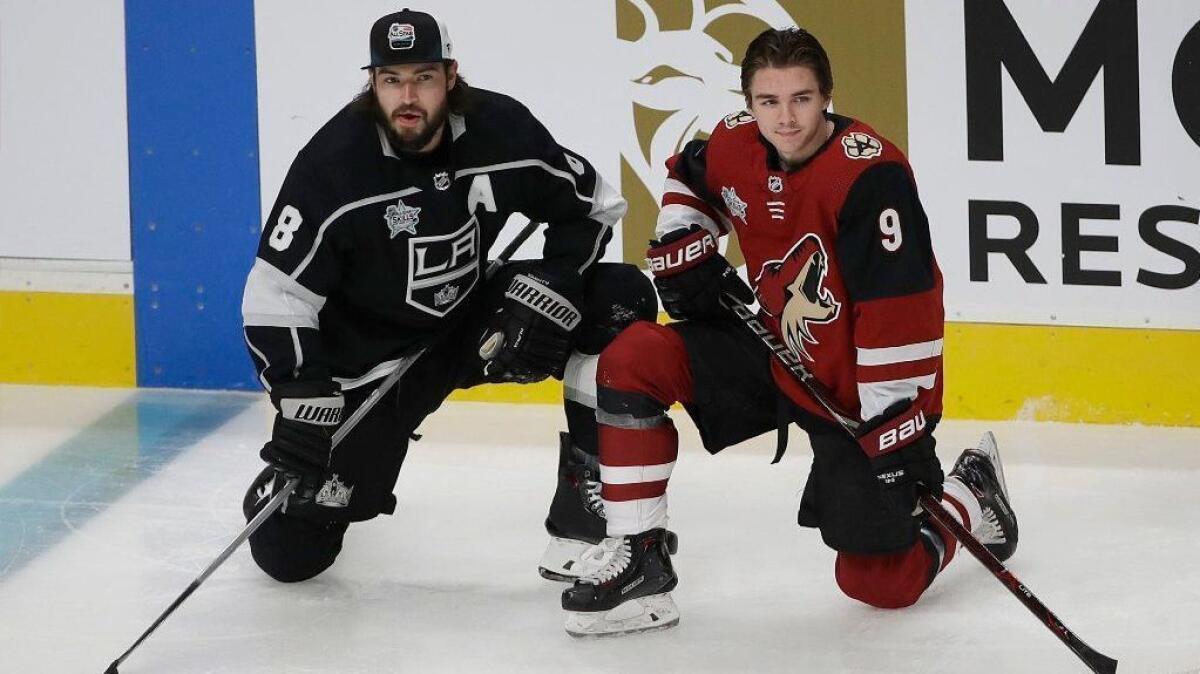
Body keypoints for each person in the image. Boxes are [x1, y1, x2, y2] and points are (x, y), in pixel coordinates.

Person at [559, 27, 1019, 636]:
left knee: (877, 583)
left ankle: (972, 491)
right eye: (768, 101)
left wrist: (891, 424)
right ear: (748, 102)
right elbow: (691, 179)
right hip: (773, 353)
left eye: (801, 99)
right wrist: (685, 234)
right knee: (632, 357)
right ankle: (640, 559)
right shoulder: (735, 143)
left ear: (827, 95)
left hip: (859, 392)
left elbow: (901, 308)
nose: (786, 117)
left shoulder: (869, 177)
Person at [240, 8, 657, 584]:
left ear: (451, 76)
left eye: (423, 77)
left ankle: (585, 501)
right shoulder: (332, 169)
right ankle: (293, 491)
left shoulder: (501, 130)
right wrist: (301, 400)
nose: (407, 96)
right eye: (391, 80)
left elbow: (593, 205)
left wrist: (556, 280)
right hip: (373, 367)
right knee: (289, 555)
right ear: (373, 83)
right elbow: (275, 295)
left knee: (619, 297)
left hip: (476, 327)